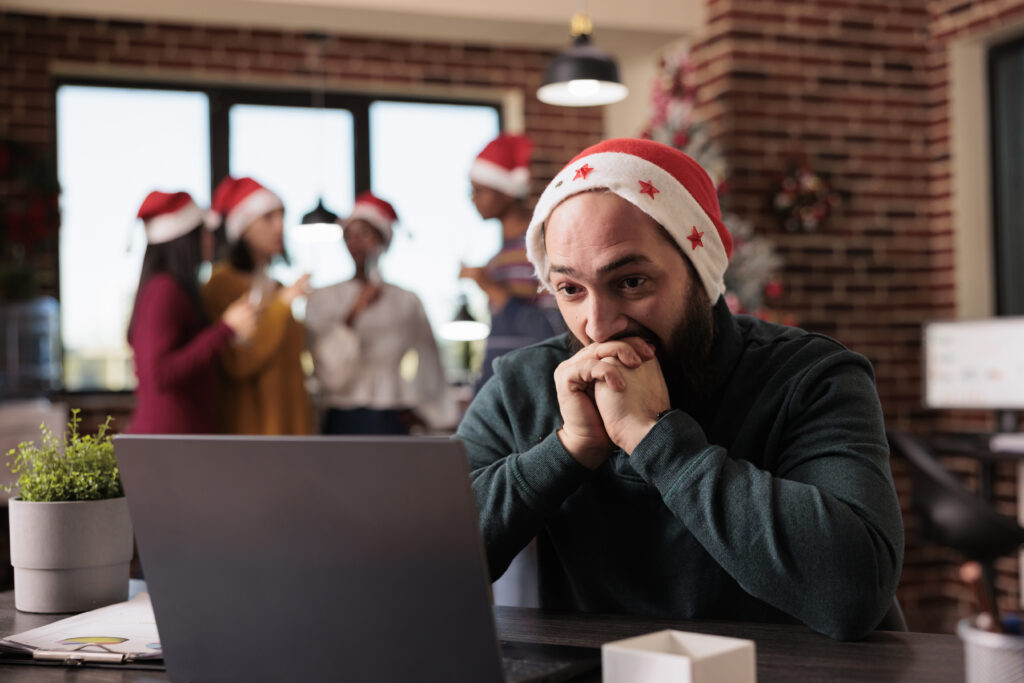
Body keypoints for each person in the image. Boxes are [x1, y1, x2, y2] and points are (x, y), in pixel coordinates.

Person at [456, 138, 904, 641]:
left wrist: (655, 439)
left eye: (630, 283)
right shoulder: (526, 385)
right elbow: (430, 561)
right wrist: (566, 451)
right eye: (570, 289)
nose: (598, 327)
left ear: (700, 269)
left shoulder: (810, 376)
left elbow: (852, 593)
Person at [306, 192, 457, 435]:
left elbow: (429, 358)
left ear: (382, 239)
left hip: (394, 412)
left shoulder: (406, 300)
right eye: (349, 235)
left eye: (364, 234)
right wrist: (352, 314)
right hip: (341, 413)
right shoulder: (325, 298)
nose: (355, 243)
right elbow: (323, 365)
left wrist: (433, 414)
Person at [127, 191, 257, 434]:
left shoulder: (167, 289)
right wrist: (225, 329)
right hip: (168, 443)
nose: (209, 239)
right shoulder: (164, 291)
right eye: (203, 232)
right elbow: (160, 373)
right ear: (187, 239)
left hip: (177, 439)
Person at [202, 176, 313, 435]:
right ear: (243, 227)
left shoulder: (276, 286)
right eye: (268, 218)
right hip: (249, 436)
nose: (279, 227)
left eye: (282, 217)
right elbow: (239, 361)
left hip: (289, 430)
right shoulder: (221, 285)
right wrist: (282, 305)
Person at [460, 133, 563, 389]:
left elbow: (555, 332)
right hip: (499, 385)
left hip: (533, 386)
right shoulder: (495, 261)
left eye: (479, 190)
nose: (473, 199)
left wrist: (493, 290)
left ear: (506, 192)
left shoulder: (542, 250)